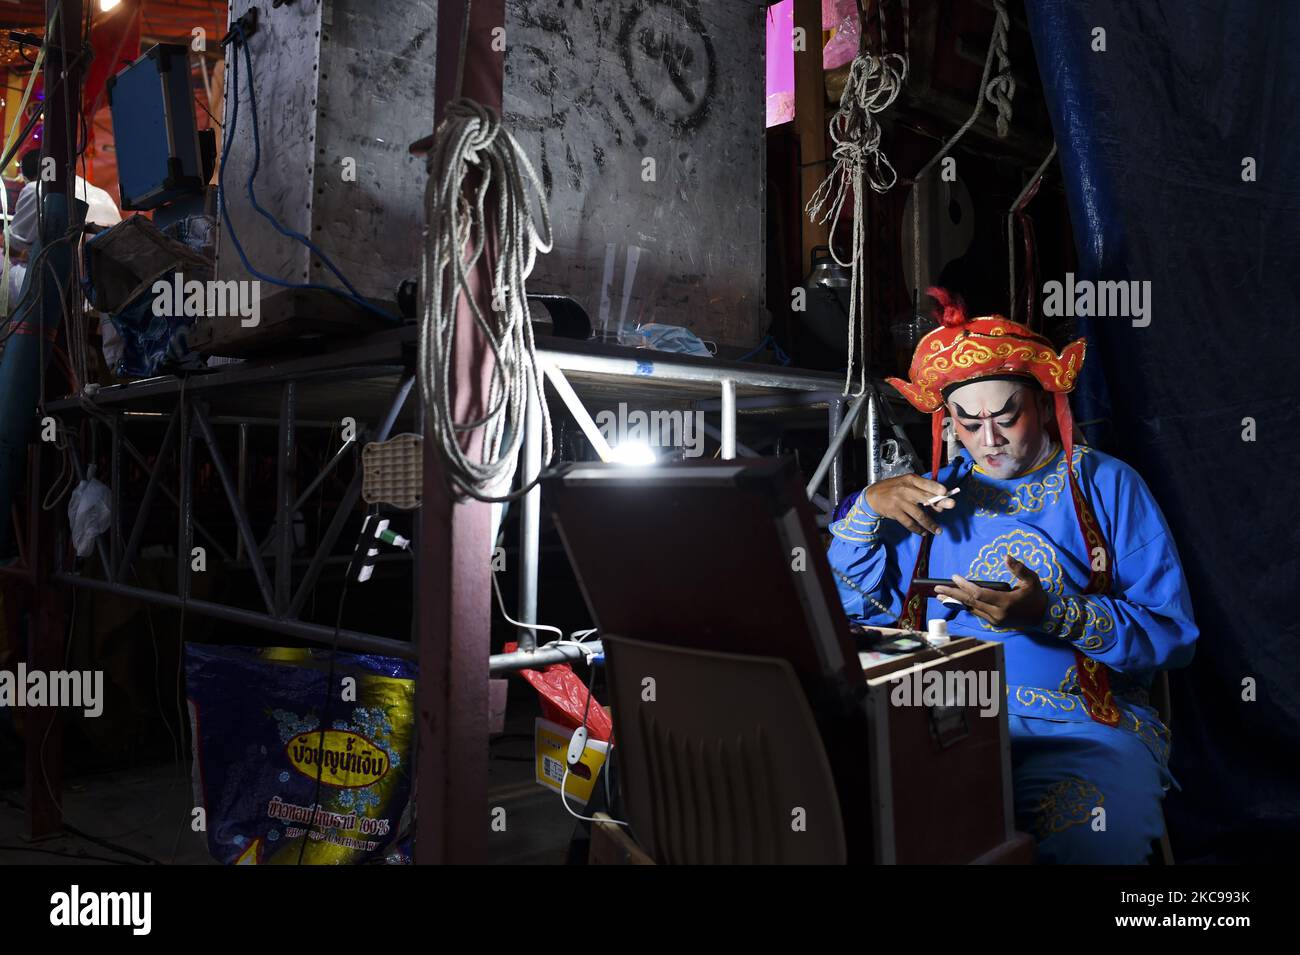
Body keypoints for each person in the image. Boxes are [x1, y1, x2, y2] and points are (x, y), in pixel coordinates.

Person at [828, 288, 1198, 863]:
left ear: (1045, 405)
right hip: (947, 717)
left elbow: (1170, 636)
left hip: (1080, 725)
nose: (989, 440)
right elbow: (853, 605)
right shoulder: (936, 494)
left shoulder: (1109, 485)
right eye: (967, 424)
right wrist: (868, 508)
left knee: (1089, 839)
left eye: (1006, 417)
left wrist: (1050, 612)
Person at [9, 148, 122, 254]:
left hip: (73, 270)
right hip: (110, 267)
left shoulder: (35, 188)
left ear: (26, 177)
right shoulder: (102, 194)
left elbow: (15, 245)